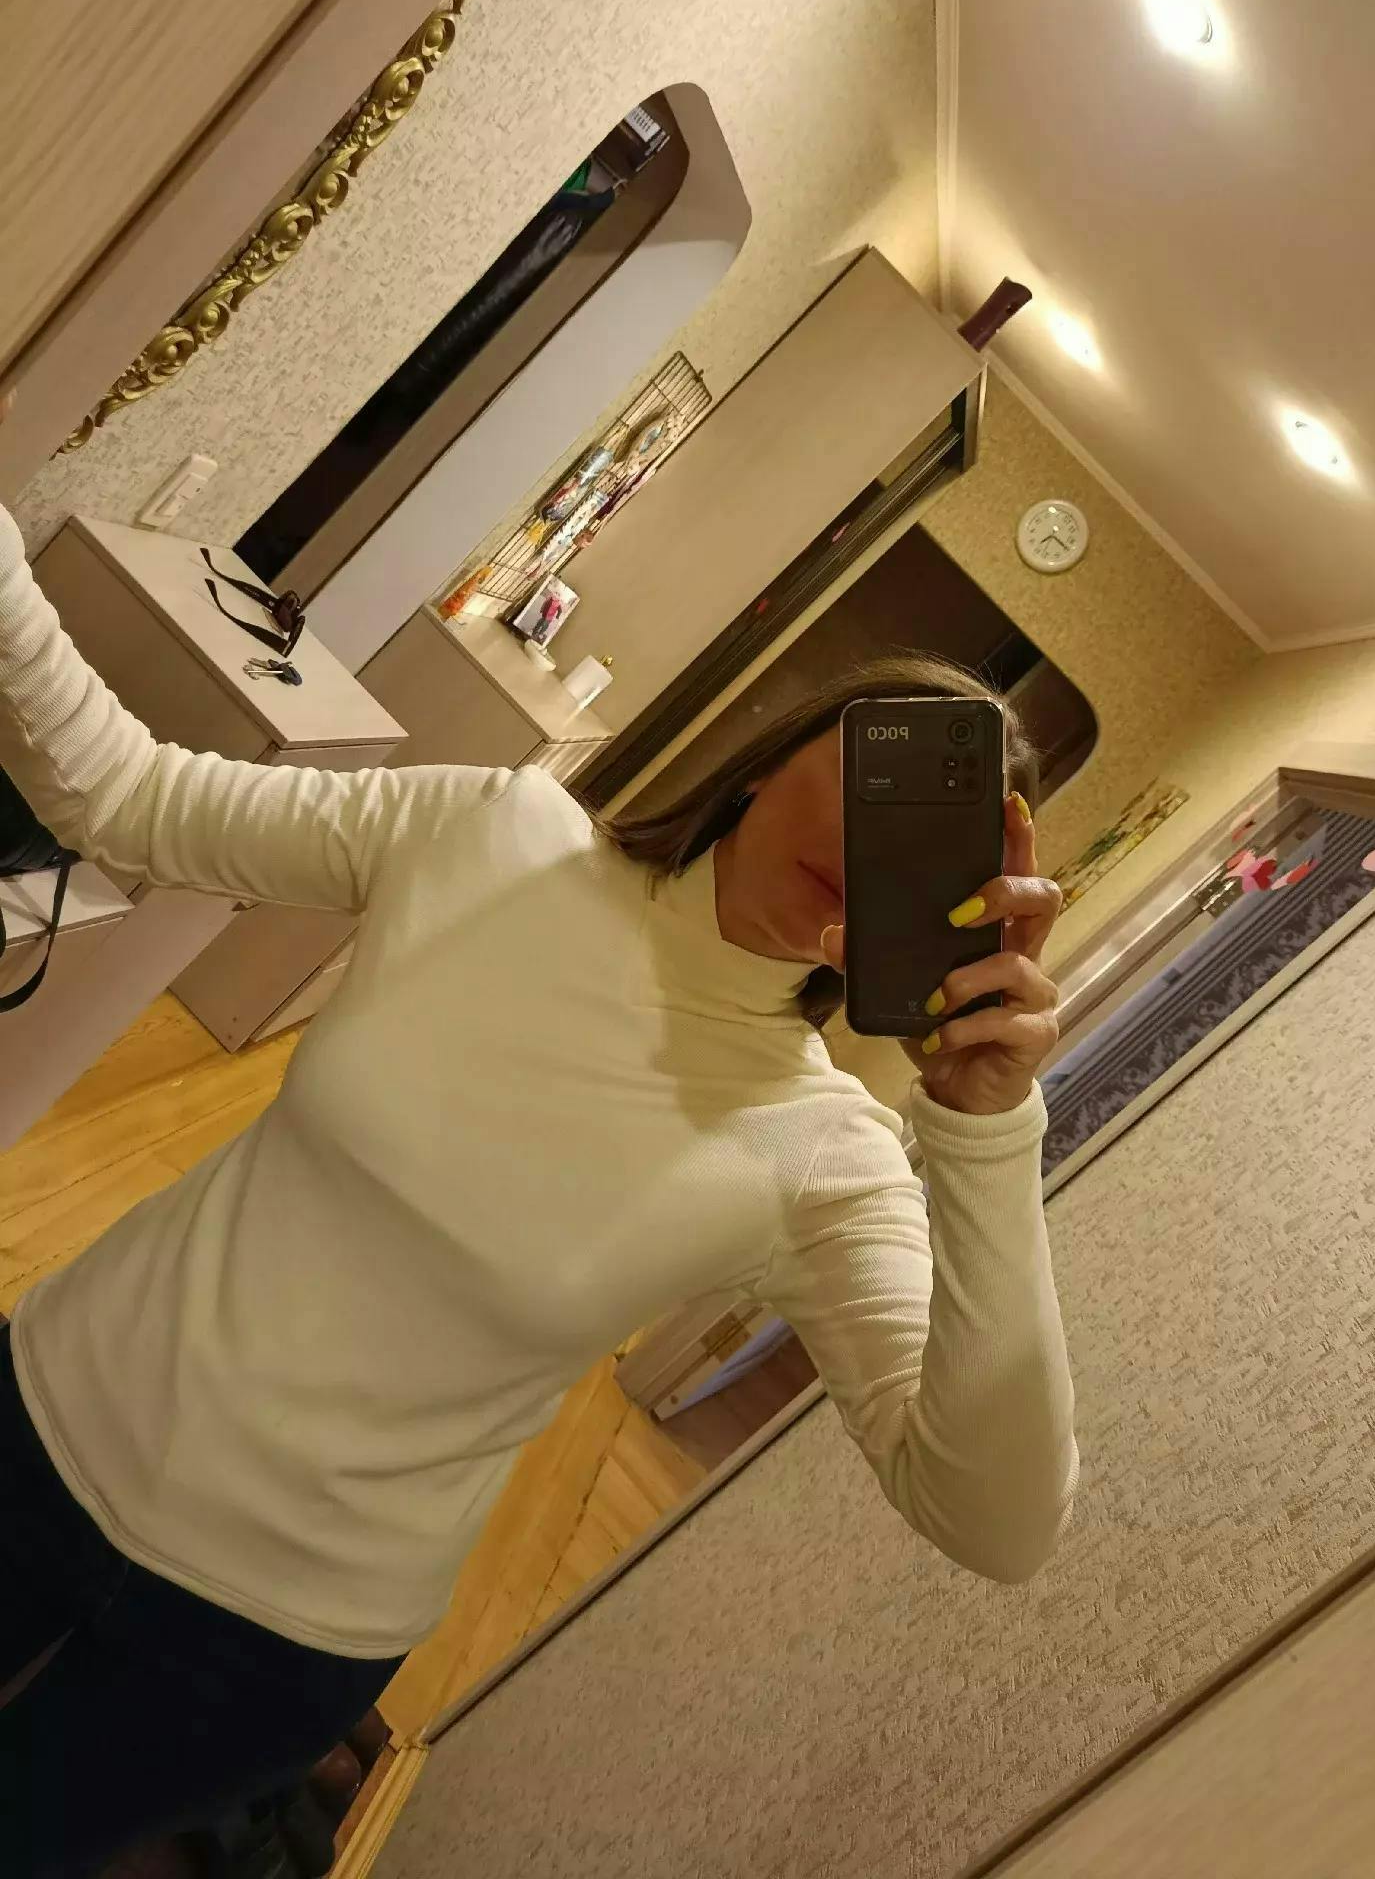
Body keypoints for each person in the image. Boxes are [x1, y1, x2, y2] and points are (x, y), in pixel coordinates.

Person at [0, 476, 1076, 1875]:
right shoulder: (495, 834)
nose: (874, 847)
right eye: (878, 777)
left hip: (259, 1646)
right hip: (40, 1419)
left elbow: (995, 1523)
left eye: (931, 846)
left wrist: (989, 1132)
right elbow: (134, 800)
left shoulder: (824, 1156)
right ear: (775, 755)